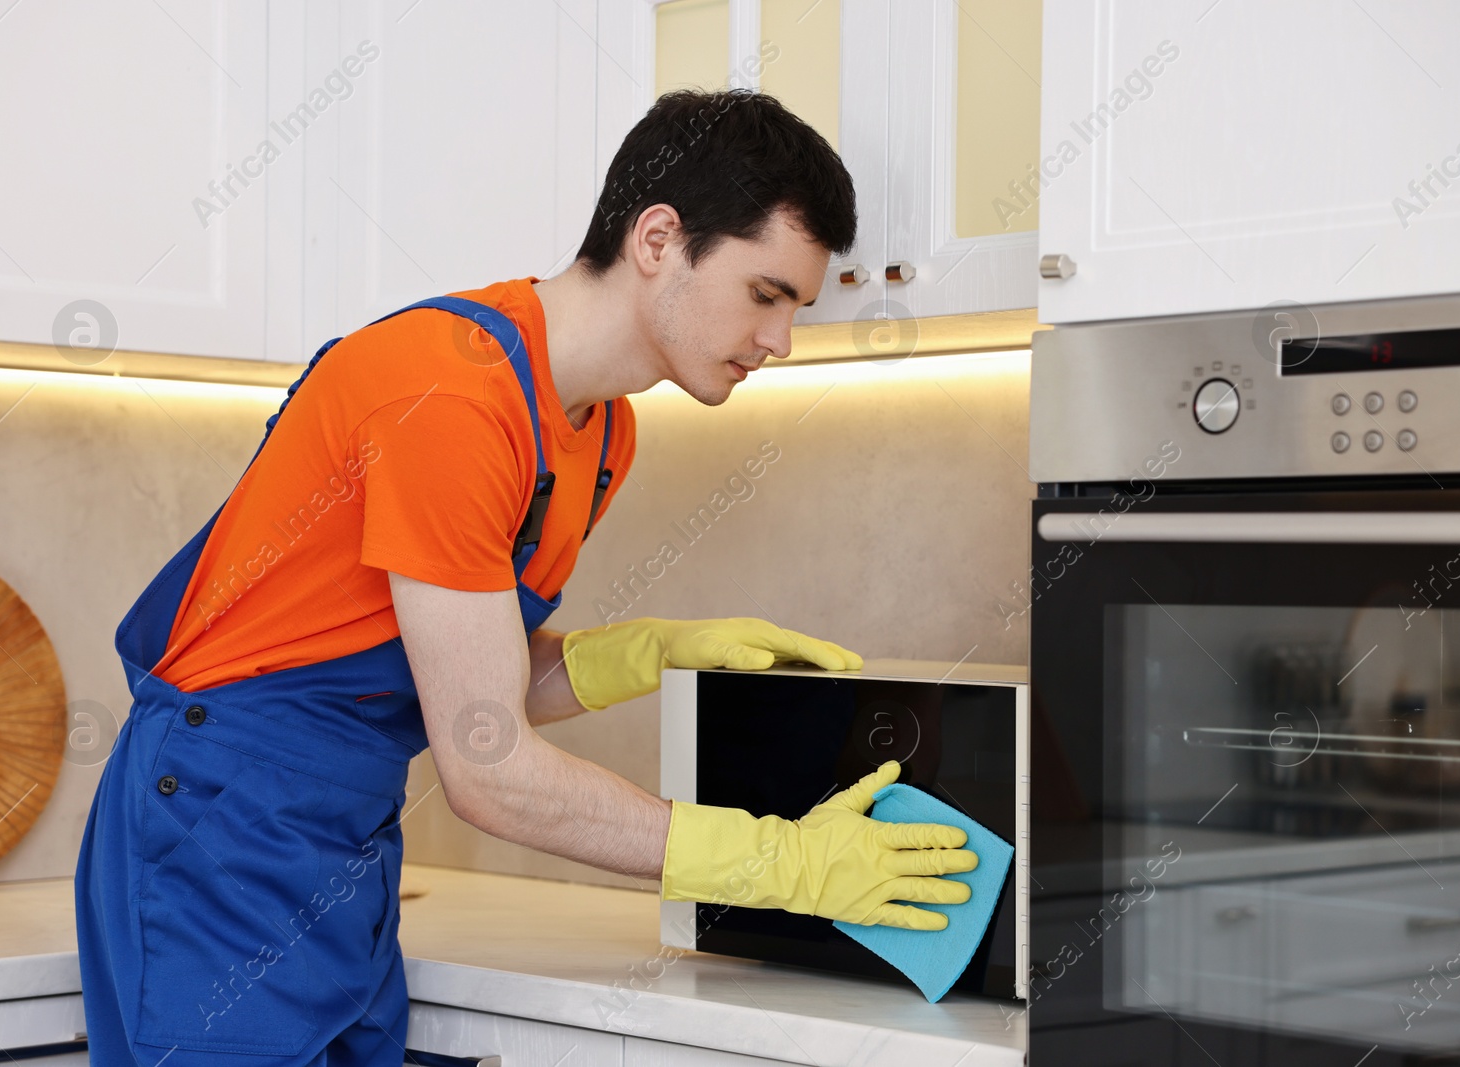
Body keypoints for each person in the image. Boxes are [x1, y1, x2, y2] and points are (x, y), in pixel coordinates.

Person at [75, 88, 977, 1067]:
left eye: (796, 308)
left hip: (340, 838)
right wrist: (777, 861)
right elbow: (488, 769)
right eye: (766, 294)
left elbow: (467, 694)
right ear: (659, 239)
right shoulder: (453, 396)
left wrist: (642, 654)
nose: (780, 340)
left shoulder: (600, 433)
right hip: (218, 826)